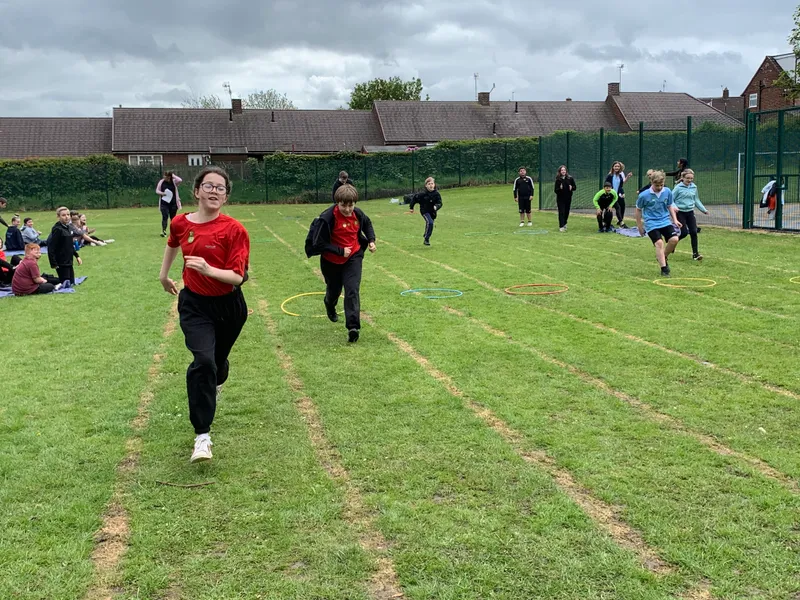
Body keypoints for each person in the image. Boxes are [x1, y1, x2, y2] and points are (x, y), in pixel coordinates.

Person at [158, 166, 250, 464]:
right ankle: (202, 436)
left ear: (225, 197)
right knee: (203, 362)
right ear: (196, 191)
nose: (214, 191)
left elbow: (238, 276)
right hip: (195, 305)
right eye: (208, 186)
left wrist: (209, 269)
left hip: (229, 307)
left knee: (217, 365)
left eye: (220, 188)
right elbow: (172, 244)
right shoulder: (180, 223)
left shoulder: (234, 230)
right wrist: (163, 275)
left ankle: (217, 380)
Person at [309, 184, 376, 344]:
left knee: (352, 289)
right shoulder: (327, 218)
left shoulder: (357, 214)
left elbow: (367, 224)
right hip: (331, 261)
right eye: (343, 205)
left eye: (350, 205)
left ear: (355, 203)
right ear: (337, 203)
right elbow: (317, 243)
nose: (347, 209)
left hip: (353, 256)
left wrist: (372, 240)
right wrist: (339, 250)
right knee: (334, 291)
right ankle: (329, 304)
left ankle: (353, 328)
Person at [635, 170, 682, 277]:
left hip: (665, 221)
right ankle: (664, 269)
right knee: (659, 243)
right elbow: (638, 210)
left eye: (661, 185)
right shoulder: (644, 195)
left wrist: (674, 220)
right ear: (651, 182)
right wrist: (639, 226)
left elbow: (670, 205)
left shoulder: (667, 192)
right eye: (657, 185)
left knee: (674, 239)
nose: (659, 187)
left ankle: (663, 256)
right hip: (651, 222)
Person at [673, 169, 708, 261]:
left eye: (691, 178)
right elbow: (671, 200)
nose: (689, 180)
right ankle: (671, 243)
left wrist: (703, 210)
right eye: (688, 178)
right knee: (684, 233)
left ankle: (695, 254)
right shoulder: (678, 188)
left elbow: (696, 200)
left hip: (690, 212)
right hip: (680, 212)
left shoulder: (694, 187)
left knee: (693, 231)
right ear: (683, 178)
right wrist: (674, 207)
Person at [49, 206, 82, 284]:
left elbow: (70, 244)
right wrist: (53, 263)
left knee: (71, 283)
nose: (66, 217)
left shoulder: (68, 227)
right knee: (64, 283)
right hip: (61, 261)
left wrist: (77, 256)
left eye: (68, 215)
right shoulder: (57, 229)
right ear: (58, 216)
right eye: (63, 215)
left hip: (69, 260)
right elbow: (51, 246)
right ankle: (45, 279)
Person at [409, 176, 443, 245]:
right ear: (426, 186)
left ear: (434, 184)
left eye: (432, 183)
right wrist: (411, 208)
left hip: (433, 212)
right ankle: (426, 239)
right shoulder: (422, 194)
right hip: (424, 211)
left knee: (430, 224)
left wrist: (436, 207)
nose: (431, 185)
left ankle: (426, 235)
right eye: (429, 184)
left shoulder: (436, 194)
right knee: (430, 222)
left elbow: (440, 203)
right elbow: (414, 198)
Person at [605, 161, 634, 228]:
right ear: (613, 167)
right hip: (611, 195)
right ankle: (607, 222)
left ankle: (620, 221)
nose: (617, 168)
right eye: (615, 166)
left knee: (622, 206)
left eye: (618, 166)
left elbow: (621, 186)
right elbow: (606, 185)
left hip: (618, 195)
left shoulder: (620, 175)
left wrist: (622, 193)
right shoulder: (610, 176)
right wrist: (609, 193)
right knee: (612, 208)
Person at [156, 171, 183, 237]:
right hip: (164, 203)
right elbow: (157, 190)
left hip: (173, 203)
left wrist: (173, 175)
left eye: (166, 176)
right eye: (164, 176)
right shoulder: (161, 182)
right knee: (165, 216)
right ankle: (164, 231)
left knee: (173, 218)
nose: (164, 177)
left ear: (169, 177)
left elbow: (180, 180)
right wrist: (162, 193)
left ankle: (173, 232)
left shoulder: (174, 182)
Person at [554, 165, 576, 232]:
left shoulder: (570, 178)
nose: (563, 171)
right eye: (562, 170)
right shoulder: (558, 180)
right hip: (560, 199)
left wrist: (571, 187)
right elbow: (555, 190)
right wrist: (560, 188)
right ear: (560, 171)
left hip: (568, 198)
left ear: (566, 171)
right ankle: (561, 226)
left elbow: (575, 187)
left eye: (564, 170)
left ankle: (565, 223)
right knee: (561, 212)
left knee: (566, 212)